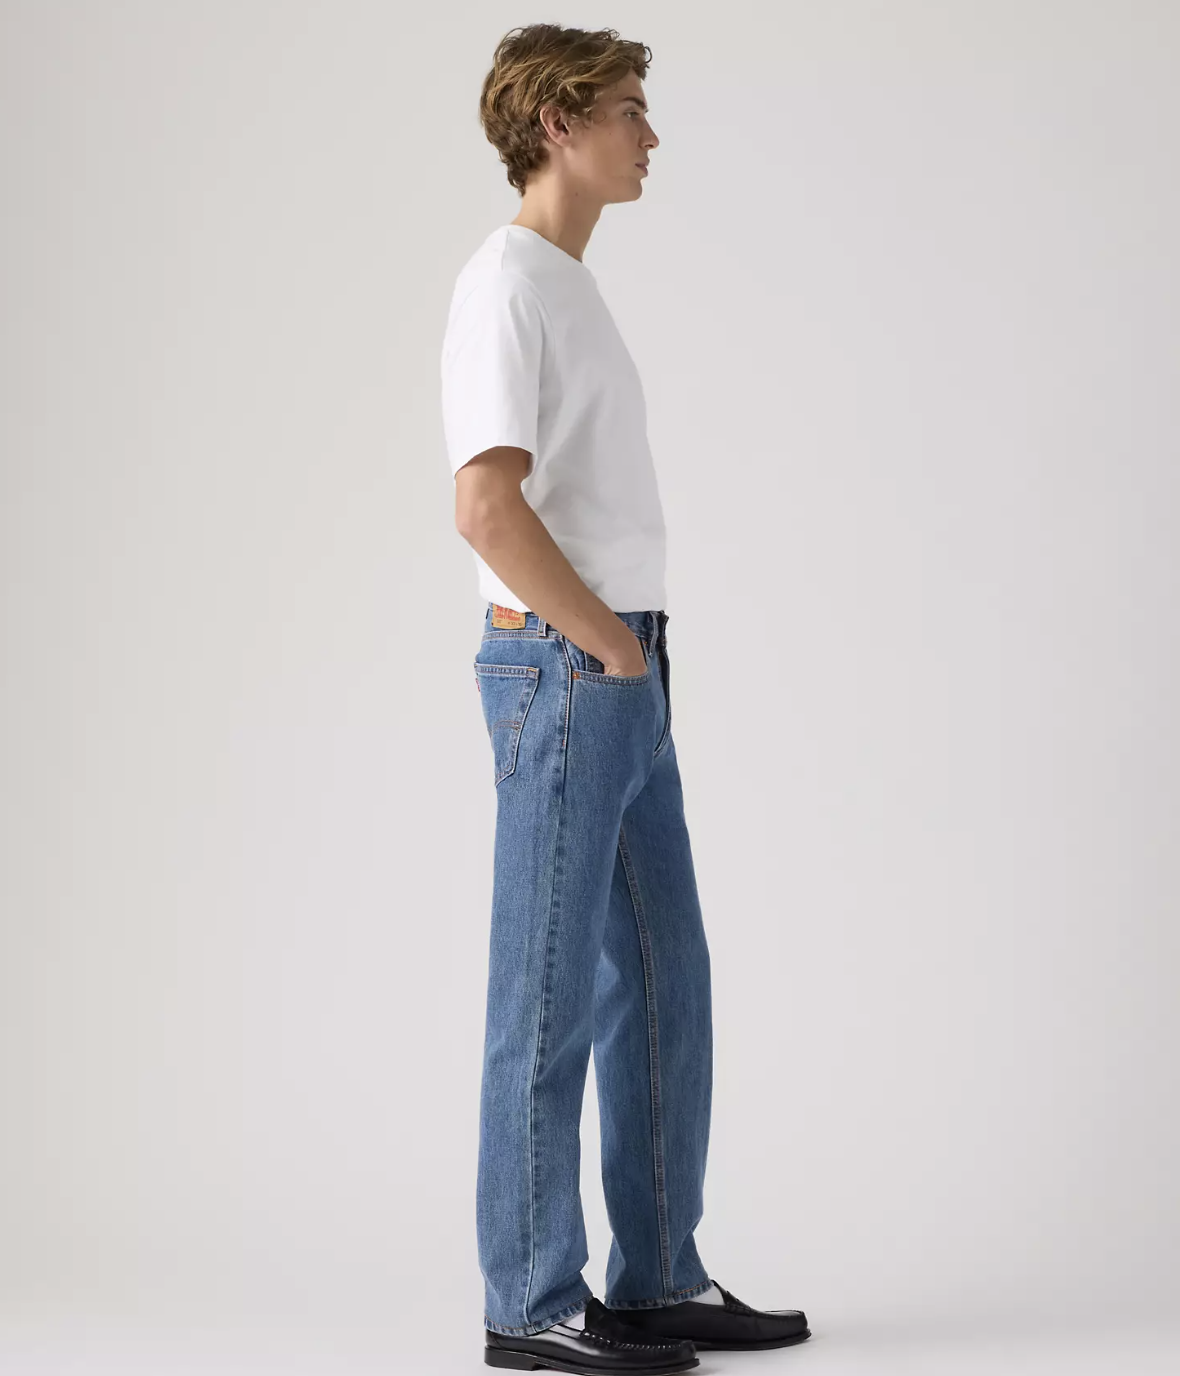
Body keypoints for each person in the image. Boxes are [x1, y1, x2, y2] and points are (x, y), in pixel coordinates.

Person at [439, 24, 811, 1374]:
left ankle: (656, 1276)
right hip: (567, 665)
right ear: (557, 123)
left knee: (662, 978)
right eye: (628, 110)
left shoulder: (567, 285)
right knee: (544, 994)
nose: (650, 136)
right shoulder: (506, 283)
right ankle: (532, 1299)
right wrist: (603, 646)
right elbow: (485, 505)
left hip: (617, 666)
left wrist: (627, 657)